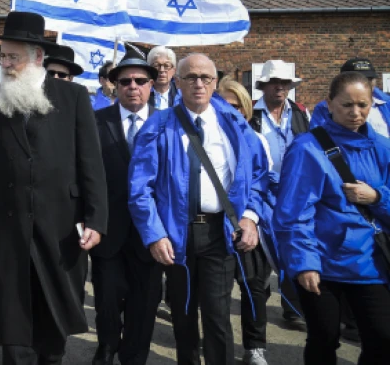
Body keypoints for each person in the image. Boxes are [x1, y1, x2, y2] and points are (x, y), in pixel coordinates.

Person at [0, 11, 108, 365]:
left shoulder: (74, 97)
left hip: (61, 227)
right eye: (2, 56)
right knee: (13, 319)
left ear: (36, 57)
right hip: (9, 225)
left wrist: (96, 220)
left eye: (13, 57)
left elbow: (91, 164)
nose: (5, 64)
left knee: (53, 319)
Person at [128, 53, 269, 365]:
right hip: (177, 234)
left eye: (205, 77)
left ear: (215, 82)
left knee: (218, 317)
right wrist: (154, 235)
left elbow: (259, 175)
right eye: (190, 77)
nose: (198, 83)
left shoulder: (234, 124)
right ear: (177, 82)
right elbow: (140, 188)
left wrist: (250, 217)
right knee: (183, 315)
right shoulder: (158, 126)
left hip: (219, 231)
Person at [275, 70, 390, 364]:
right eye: (347, 105)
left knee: (382, 338)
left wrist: (377, 197)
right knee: (324, 339)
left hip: (369, 262)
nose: (355, 113)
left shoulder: (382, 147)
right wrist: (303, 263)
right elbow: (293, 214)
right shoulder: (307, 148)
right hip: (322, 264)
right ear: (329, 103)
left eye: (363, 105)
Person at [90, 48, 162, 365]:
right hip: (108, 228)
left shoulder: (166, 124)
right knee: (105, 297)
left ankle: (134, 354)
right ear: (114, 85)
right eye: (125, 81)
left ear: (151, 85)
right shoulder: (95, 122)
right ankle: (106, 346)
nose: (133, 86)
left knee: (145, 300)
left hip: (151, 232)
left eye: (140, 81)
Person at [218, 77, 277, 365]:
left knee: (254, 287)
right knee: (218, 292)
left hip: (249, 224)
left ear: (246, 109)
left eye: (237, 106)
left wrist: (249, 219)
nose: (231, 111)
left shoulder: (258, 140)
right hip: (216, 227)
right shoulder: (206, 137)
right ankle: (219, 343)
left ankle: (255, 346)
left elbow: (262, 182)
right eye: (224, 105)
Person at [248, 59, 310, 328]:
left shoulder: (299, 114)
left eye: (284, 83)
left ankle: (293, 309)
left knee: (292, 249)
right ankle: (261, 296)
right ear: (263, 86)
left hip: (294, 195)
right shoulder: (252, 114)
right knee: (264, 249)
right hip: (262, 193)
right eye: (274, 83)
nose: (279, 88)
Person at [313, 58, 390, 139]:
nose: (355, 112)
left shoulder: (386, 104)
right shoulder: (325, 107)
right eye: (347, 105)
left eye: (369, 79)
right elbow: (317, 138)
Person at [147, 46, 178, 111]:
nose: (161, 70)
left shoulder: (181, 97)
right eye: (156, 65)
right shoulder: (142, 93)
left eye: (166, 66)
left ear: (174, 70)